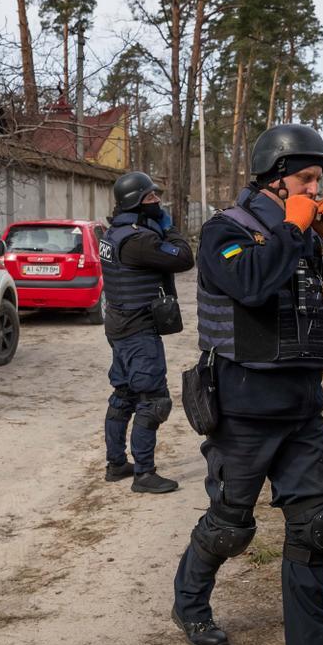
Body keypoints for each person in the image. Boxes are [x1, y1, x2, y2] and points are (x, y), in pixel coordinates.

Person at [170, 124, 323, 645]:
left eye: (319, 179)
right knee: (230, 525)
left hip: (302, 409)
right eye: (306, 180)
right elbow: (254, 286)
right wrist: (292, 229)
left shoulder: (309, 238)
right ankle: (190, 604)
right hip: (242, 410)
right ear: (272, 179)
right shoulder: (223, 233)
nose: (316, 190)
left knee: (315, 527)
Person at [99, 171, 194, 494]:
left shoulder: (115, 232)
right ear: (136, 202)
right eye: (151, 197)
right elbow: (183, 259)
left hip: (119, 323)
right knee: (153, 399)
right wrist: (170, 228)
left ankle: (116, 464)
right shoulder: (140, 240)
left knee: (124, 393)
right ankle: (144, 473)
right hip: (138, 329)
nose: (157, 201)